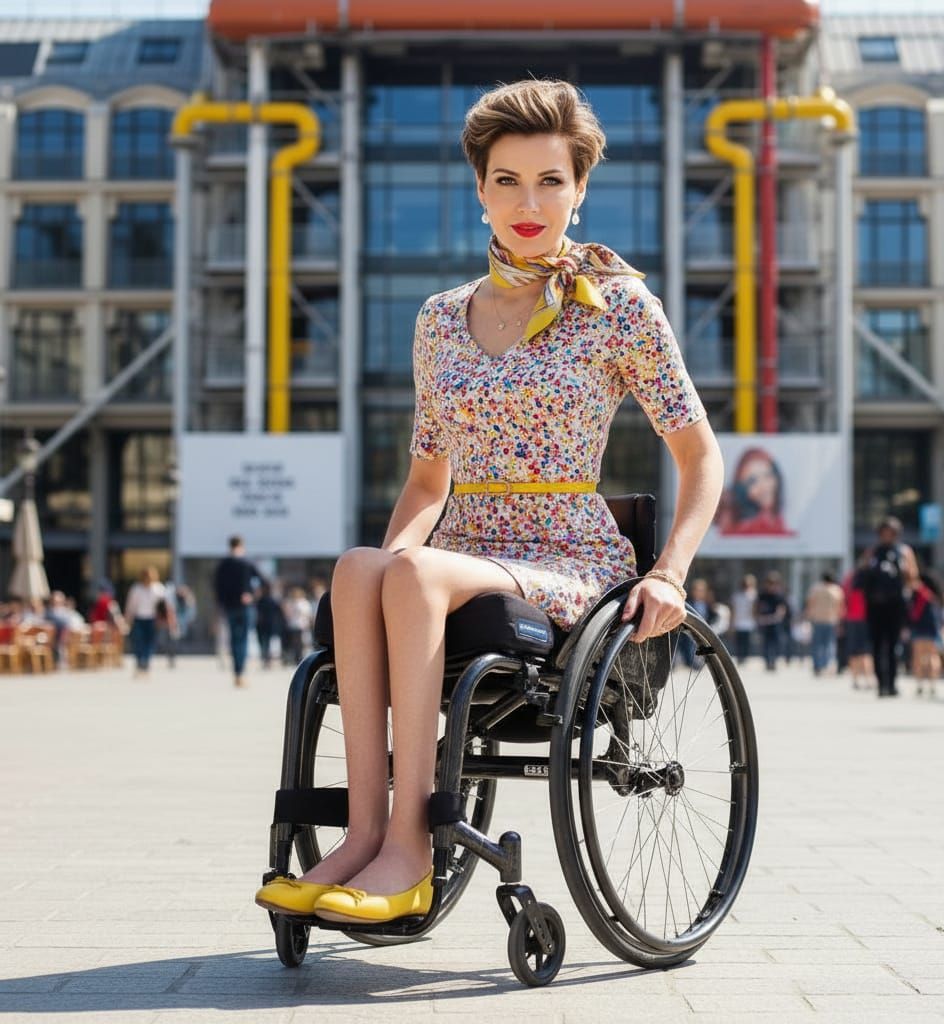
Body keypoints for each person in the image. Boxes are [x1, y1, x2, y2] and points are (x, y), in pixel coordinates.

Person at [255, 79, 723, 925]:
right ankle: (360, 835)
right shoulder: (440, 319)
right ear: (480, 191)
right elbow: (429, 482)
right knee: (361, 568)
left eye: (550, 180)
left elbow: (700, 456)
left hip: (569, 558)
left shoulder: (618, 307)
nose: (529, 202)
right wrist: (394, 556)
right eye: (507, 180)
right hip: (463, 548)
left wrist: (673, 572)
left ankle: (411, 847)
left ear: (580, 190)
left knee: (415, 575)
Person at [859, 516, 918, 698]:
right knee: (877, 645)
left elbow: (913, 578)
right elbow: (861, 575)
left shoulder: (904, 552)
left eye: (890, 533)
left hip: (895, 605)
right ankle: (881, 683)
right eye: (884, 533)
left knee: (893, 645)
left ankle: (891, 682)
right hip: (875, 604)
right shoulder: (872, 552)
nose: (887, 536)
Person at [213, 535, 267, 688]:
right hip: (245, 606)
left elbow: (217, 588)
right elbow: (263, 582)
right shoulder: (247, 562)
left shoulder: (223, 565)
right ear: (242, 546)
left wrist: (220, 606)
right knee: (242, 639)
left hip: (229, 606)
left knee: (234, 639)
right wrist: (252, 596)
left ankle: (236, 672)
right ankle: (240, 673)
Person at [714, 447, 794, 536]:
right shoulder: (740, 530)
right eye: (752, 481)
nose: (764, 486)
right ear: (741, 489)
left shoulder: (779, 524)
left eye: (767, 475)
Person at [124, 566, 167, 679]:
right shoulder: (136, 589)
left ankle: (146, 663)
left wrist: (162, 619)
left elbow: (163, 607)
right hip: (139, 619)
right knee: (138, 642)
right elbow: (131, 606)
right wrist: (128, 619)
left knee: (150, 642)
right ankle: (139, 662)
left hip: (152, 619)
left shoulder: (158, 589)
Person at [906, 573, 942, 698]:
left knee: (918, 657)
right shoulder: (932, 596)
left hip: (919, 628)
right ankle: (933, 684)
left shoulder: (918, 593)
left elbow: (912, 612)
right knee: (933, 656)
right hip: (932, 629)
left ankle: (920, 684)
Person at [805, 571, 845, 676]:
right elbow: (841, 606)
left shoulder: (815, 589)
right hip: (831, 620)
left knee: (817, 644)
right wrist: (840, 621)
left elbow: (809, 603)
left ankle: (817, 666)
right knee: (829, 644)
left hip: (817, 619)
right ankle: (827, 665)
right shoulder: (837, 590)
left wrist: (809, 616)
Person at [841, 566, 873, 691]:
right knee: (866, 652)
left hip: (851, 620)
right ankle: (868, 679)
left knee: (854, 651)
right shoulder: (869, 587)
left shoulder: (849, 584)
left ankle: (855, 680)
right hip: (865, 620)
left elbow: (843, 602)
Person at [756, 572, 787, 672]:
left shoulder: (779, 595)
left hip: (775, 623)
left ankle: (773, 662)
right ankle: (767, 662)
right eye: (769, 583)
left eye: (773, 583)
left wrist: (775, 617)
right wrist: (759, 617)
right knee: (765, 643)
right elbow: (757, 607)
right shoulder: (762, 595)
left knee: (775, 643)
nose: (771, 586)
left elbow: (782, 609)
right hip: (764, 623)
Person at [730, 574, 758, 663]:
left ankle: (742, 657)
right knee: (742, 642)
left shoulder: (738, 596)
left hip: (745, 622)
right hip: (743, 622)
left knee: (743, 642)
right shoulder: (753, 595)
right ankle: (742, 657)